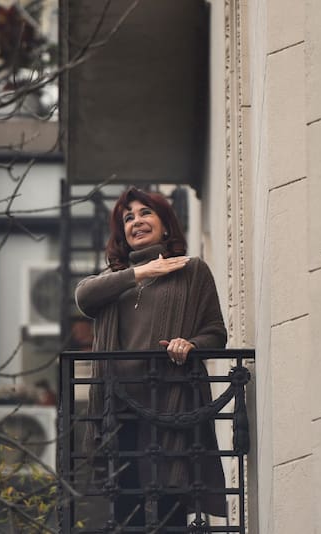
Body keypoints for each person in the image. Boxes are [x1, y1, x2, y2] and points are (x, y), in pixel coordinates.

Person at [75, 187, 228, 530]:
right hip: (120, 413)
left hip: (170, 408)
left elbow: (216, 333)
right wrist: (139, 273)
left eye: (146, 213)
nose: (137, 222)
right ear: (122, 234)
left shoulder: (192, 271)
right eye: (128, 218)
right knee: (127, 509)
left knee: (168, 508)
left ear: (166, 225)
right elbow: (83, 296)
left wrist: (190, 344)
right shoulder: (113, 283)